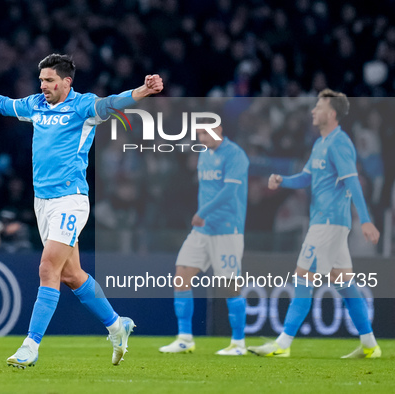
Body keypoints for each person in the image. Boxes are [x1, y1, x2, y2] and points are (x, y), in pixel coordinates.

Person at [0, 54, 163, 368]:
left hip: (70, 200)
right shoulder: (36, 105)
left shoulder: (83, 107)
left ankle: (30, 346)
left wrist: (142, 92)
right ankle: (118, 326)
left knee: (48, 267)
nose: (43, 85)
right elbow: (4, 104)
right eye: (41, 80)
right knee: (72, 276)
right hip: (43, 203)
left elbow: (111, 104)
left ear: (66, 82)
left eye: (49, 81)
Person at [248, 89, 381, 358]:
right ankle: (370, 345)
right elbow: (306, 177)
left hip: (329, 223)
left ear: (331, 114)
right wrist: (282, 180)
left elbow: (353, 181)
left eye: (318, 107)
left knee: (302, 277)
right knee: (345, 284)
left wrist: (366, 221)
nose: (313, 111)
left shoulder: (340, 143)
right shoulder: (321, 143)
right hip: (326, 222)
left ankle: (282, 345)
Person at [159, 122, 249, 356]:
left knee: (230, 286)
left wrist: (202, 213)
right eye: (199, 133)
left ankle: (238, 343)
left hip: (227, 230)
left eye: (206, 133)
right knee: (181, 275)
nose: (202, 137)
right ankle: (185, 338)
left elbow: (230, 192)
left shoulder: (235, 155)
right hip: (203, 231)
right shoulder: (203, 154)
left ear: (220, 130)